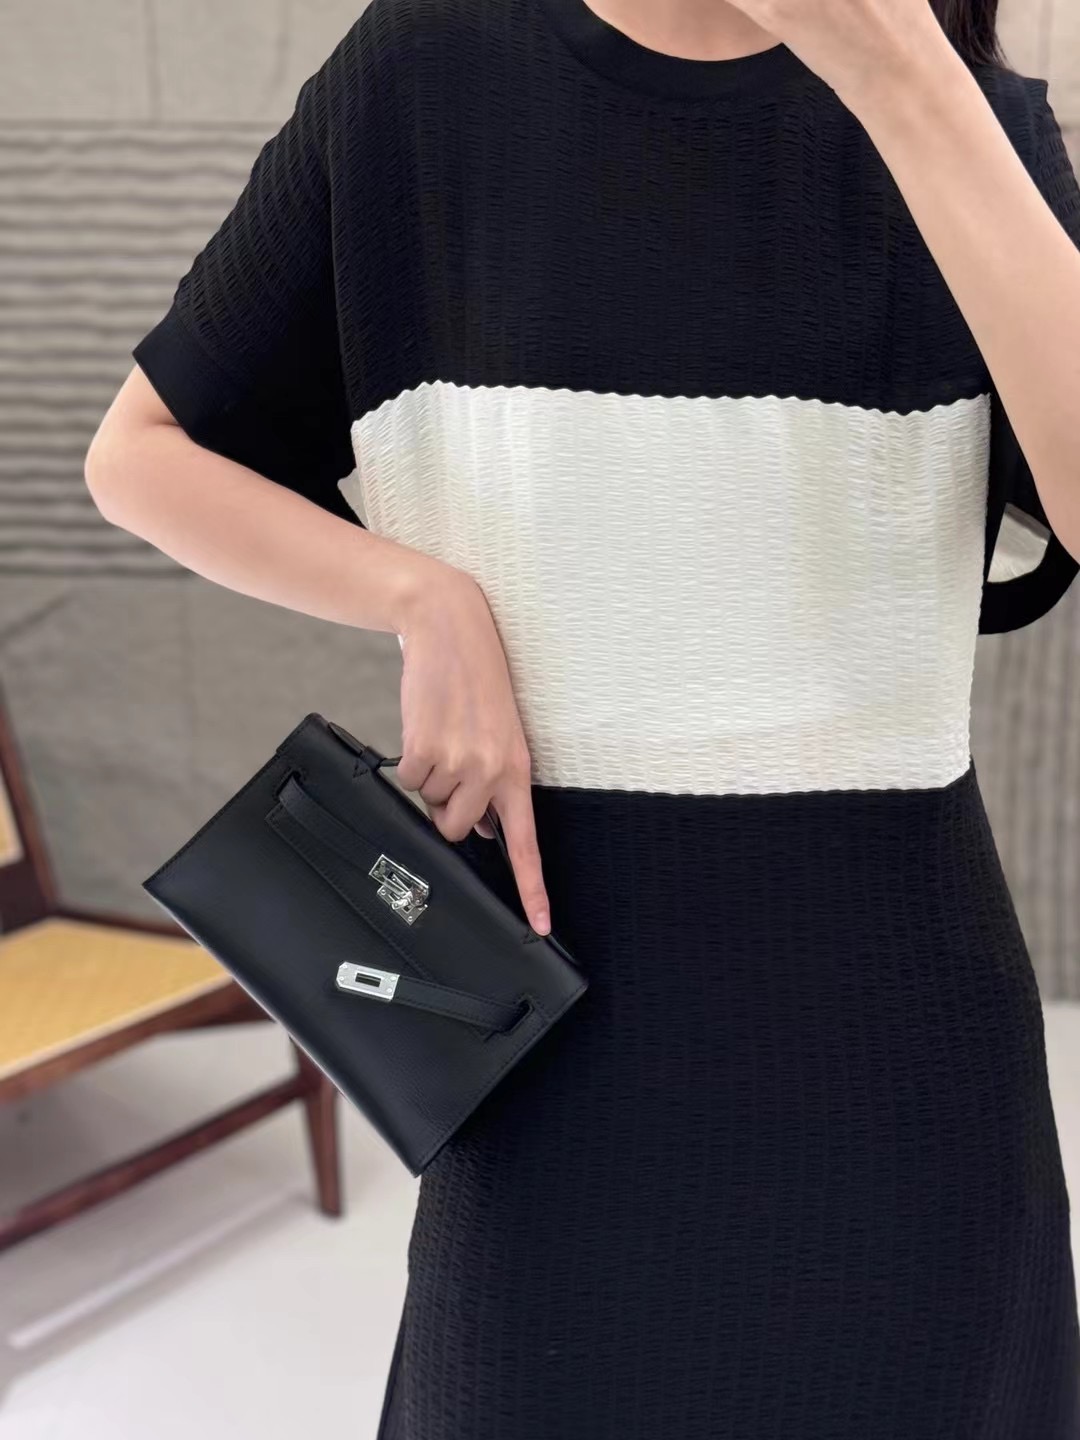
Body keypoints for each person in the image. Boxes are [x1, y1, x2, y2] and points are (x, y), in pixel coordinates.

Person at [85, 0, 1080, 1434]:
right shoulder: (424, 74)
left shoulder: (972, 119)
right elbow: (144, 454)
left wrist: (905, 80)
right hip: (548, 1051)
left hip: (904, 1069)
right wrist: (420, 596)